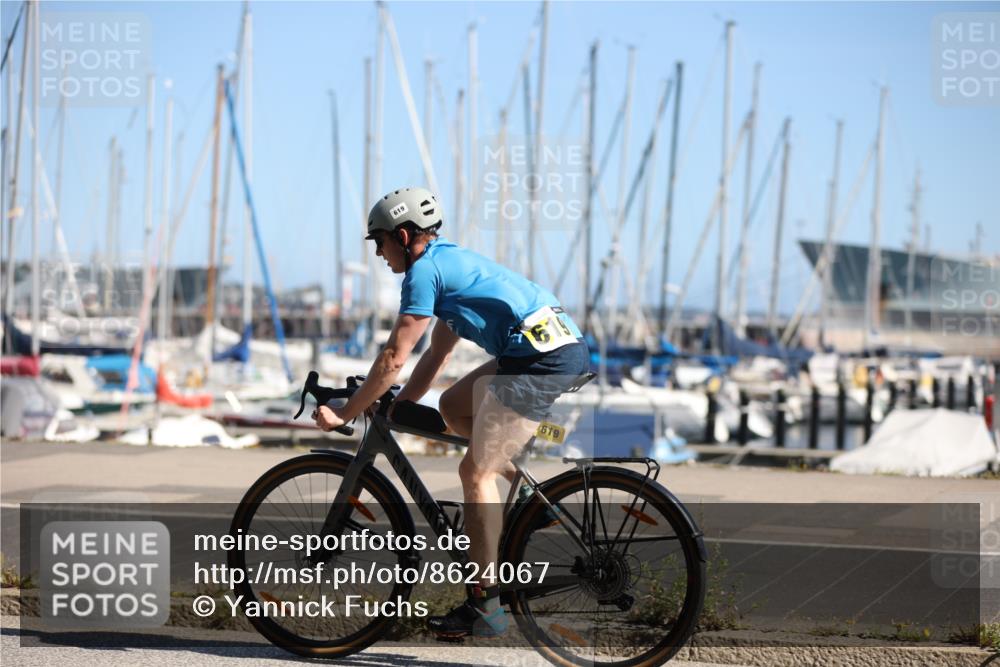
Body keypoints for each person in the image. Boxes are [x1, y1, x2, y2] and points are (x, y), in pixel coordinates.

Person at [313, 187, 589, 638]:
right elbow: (434, 356)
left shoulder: (423, 273)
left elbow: (392, 357)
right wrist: (396, 403)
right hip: (544, 349)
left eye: (378, 241)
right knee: (451, 406)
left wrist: (348, 413)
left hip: (540, 358)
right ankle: (526, 501)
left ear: (402, 236)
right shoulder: (447, 264)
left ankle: (486, 604)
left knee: (474, 474)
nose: (379, 253)